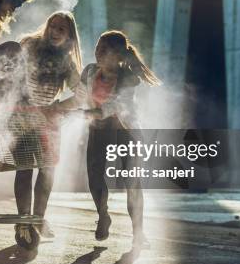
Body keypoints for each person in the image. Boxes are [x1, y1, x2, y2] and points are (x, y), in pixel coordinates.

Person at [55, 30, 161, 251]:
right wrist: (57, 108)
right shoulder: (90, 71)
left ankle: (138, 234)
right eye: (97, 47)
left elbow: (117, 105)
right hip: (99, 130)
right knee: (94, 176)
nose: (99, 52)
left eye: (105, 49)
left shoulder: (129, 77)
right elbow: (79, 98)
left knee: (132, 183)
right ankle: (103, 216)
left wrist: (91, 114)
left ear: (118, 55)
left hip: (126, 132)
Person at [12, 11, 82, 244]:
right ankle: (23, 222)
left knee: (48, 169)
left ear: (69, 35)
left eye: (61, 29)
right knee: (24, 168)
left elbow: (83, 95)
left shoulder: (66, 61)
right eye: (52, 26)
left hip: (49, 123)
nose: (55, 32)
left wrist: (58, 107)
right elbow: (9, 77)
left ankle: (38, 218)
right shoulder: (29, 45)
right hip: (22, 117)